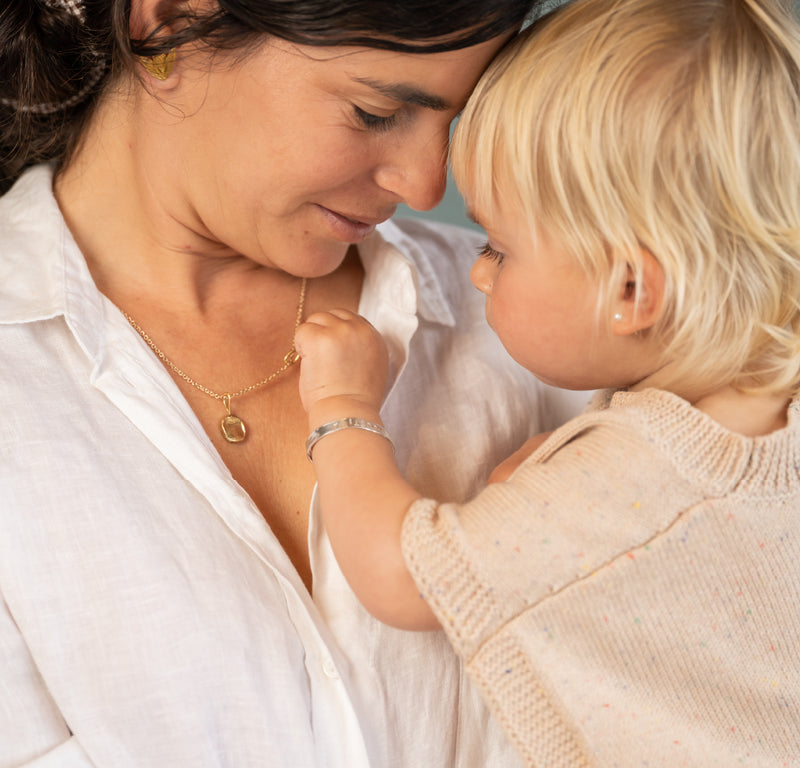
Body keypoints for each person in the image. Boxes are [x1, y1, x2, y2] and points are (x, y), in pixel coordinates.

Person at [0, 0, 591, 765]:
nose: (423, 183)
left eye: (456, 120)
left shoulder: (552, 337)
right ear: (167, 21)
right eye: (376, 111)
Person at [295, 0, 800, 764]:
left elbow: (401, 578)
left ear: (631, 292)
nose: (478, 270)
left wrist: (342, 408)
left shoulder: (641, 473)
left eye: (500, 247)